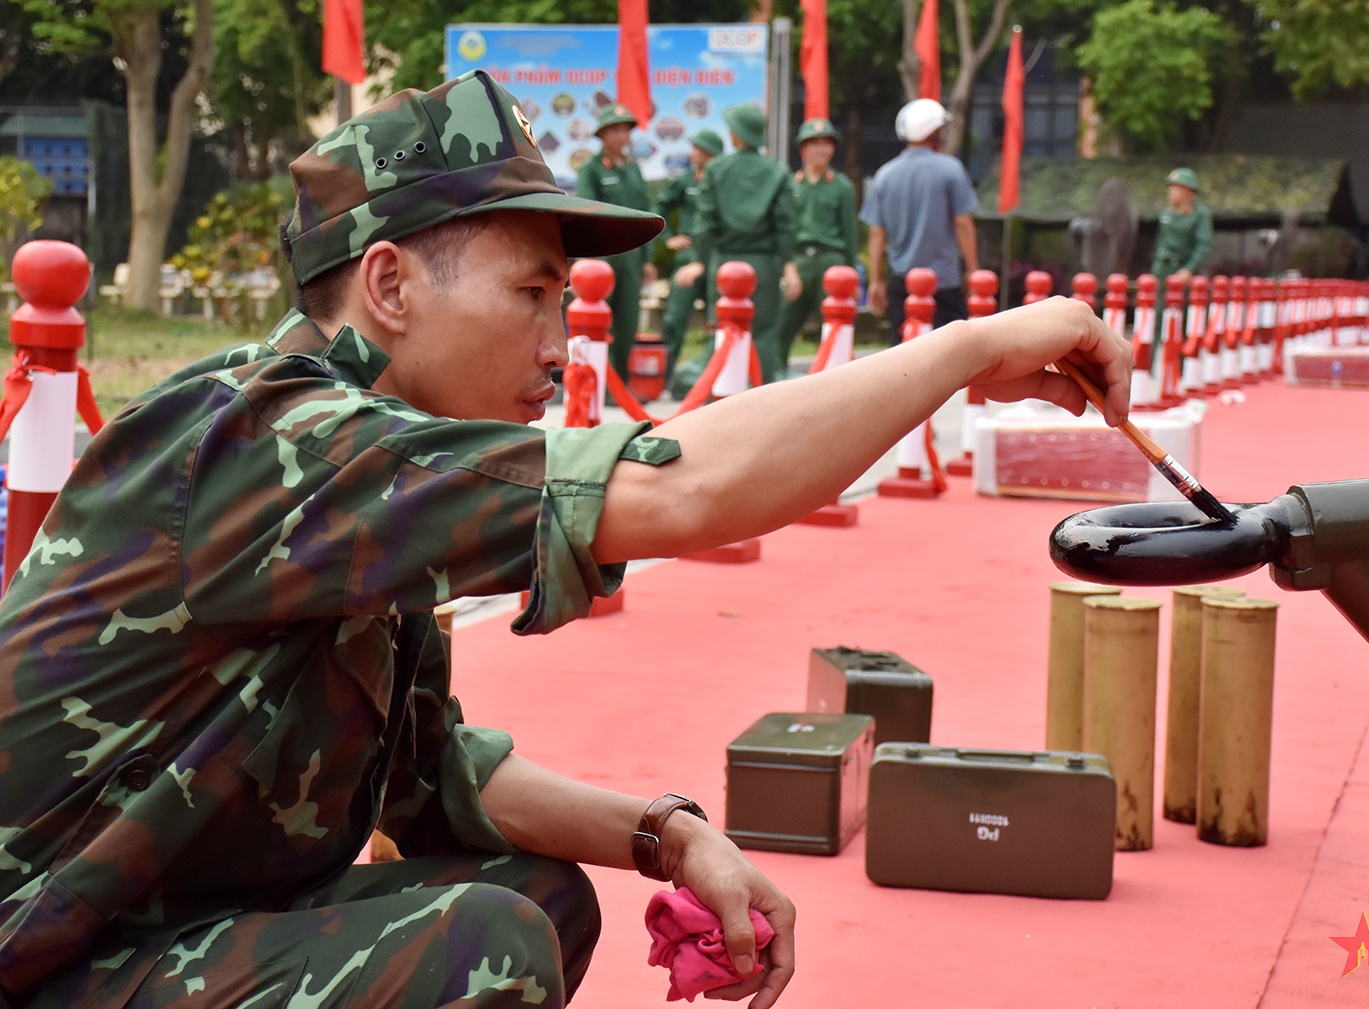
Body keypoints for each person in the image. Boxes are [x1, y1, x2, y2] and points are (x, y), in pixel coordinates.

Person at [0, 70, 1131, 1009]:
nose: (560, 344)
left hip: (142, 932)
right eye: (532, 293)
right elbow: (685, 490)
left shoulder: (374, 470)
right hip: (41, 957)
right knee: (485, 944)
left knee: (540, 896)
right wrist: (968, 349)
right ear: (388, 284)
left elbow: (426, 768)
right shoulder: (270, 441)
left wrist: (668, 833)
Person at [678, 103, 801, 384]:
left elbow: (705, 222)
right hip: (764, 267)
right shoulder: (778, 171)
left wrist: (699, 260)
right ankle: (765, 402)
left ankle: (718, 402)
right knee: (765, 335)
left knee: (721, 333)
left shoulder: (716, 169)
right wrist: (789, 266)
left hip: (725, 267)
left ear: (736, 135)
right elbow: (785, 225)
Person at [859, 98, 980, 342]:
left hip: (901, 282)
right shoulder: (951, 170)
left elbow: (876, 232)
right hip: (943, 282)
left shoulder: (885, 175)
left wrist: (876, 281)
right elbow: (963, 223)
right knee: (950, 352)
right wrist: (973, 270)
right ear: (933, 131)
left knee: (903, 353)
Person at [575, 102, 653, 383]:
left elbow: (645, 214)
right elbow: (586, 213)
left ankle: (619, 383)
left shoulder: (633, 169)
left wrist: (647, 260)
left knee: (628, 322)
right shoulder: (591, 169)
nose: (622, 136)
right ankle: (595, 381)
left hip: (631, 256)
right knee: (597, 322)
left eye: (626, 130)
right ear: (602, 135)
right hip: (603, 256)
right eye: (615, 130)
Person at [777, 118, 857, 371]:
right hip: (799, 261)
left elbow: (850, 234)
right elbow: (784, 229)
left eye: (827, 144)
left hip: (830, 261)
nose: (822, 150)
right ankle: (775, 379)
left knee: (835, 325)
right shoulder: (791, 185)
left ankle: (838, 381)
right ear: (804, 149)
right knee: (781, 325)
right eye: (816, 144)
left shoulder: (841, 187)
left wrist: (851, 275)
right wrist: (787, 267)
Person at [653, 129, 724, 381]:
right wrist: (668, 237)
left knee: (717, 320)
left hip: (716, 257)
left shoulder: (724, 180)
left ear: (710, 153)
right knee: (675, 317)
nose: (692, 153)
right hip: (687, 258)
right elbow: (660, 206)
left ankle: (711, 376)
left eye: (697, 148)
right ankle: (667, 376)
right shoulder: (685, 180)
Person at [1150, 168, 1213, 280]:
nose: (1170, 191)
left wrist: (1189, 269)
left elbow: (1203, 245)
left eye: (1176, 188)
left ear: (1188, 191)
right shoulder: (1166, 212)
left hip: (1184, 269)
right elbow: (1161, 240)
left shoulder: (1200, 214)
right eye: (1170, 187)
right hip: (1163, 268)